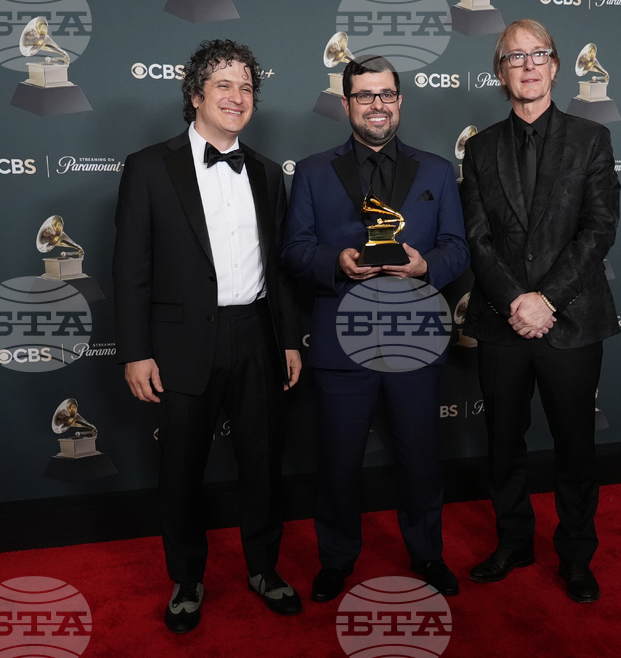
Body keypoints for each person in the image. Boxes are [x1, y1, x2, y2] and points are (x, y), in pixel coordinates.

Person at [113, 39, 303, 632]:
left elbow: (282, 269)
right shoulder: (148, 166)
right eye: (223, 84)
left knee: (263, 463)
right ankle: (187, 580)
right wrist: (136, 351)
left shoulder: (270, 174)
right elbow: (130, 269)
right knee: (181, 470)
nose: (236, 96)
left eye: (246, 86)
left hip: (256, 335)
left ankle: (264, 568)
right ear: (195, 94)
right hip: (180, 344)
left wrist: (290, 339)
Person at [281, 55, 470, 601]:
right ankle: (338, 558)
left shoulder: (436, 170)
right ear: (346, 104)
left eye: (385, 94)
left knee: (419, 456)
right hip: (341, 339)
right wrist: (335, 262)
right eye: (364, 96)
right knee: (339, 460)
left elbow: (458, 248)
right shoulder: (314, 171)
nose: (377, 105)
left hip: (415, 334)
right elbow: (293, 250)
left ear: (400, 100)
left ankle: (427, 553)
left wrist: (424, 266)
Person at [460, 19, 620, 603]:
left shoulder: (591, 139)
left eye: (539, 55)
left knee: (575, 447)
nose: (527, 66)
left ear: (555, 66)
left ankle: (576, 555)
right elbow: (475, 239)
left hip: (570, 322)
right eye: (514, 58)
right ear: (499, 72)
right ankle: (514, 542)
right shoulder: (478, 149)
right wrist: (515, 303)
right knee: (504, 444)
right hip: (501, 325)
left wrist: (546, 300)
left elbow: (598, 228)